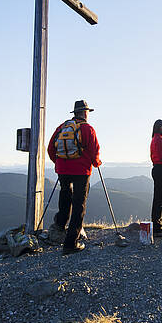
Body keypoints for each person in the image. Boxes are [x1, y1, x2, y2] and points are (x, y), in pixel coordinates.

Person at [47, 100, 101, 255]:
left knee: (65, 194)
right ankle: (71, 243)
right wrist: (96, 163)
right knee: (79, 204)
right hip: (81, 171)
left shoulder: (62, 127)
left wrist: (59, 163)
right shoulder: (87, 129)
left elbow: (51, 148)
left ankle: (60, 224)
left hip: (62, 169)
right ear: (85, 112)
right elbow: (94, 151)